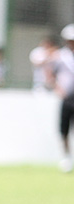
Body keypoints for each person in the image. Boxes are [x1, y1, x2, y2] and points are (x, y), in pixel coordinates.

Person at [49, 24, 74, 173]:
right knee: (64, 130)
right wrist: (57, 88)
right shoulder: (60, 56)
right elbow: (50, 73)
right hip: (67, 97)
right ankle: (66, 157)